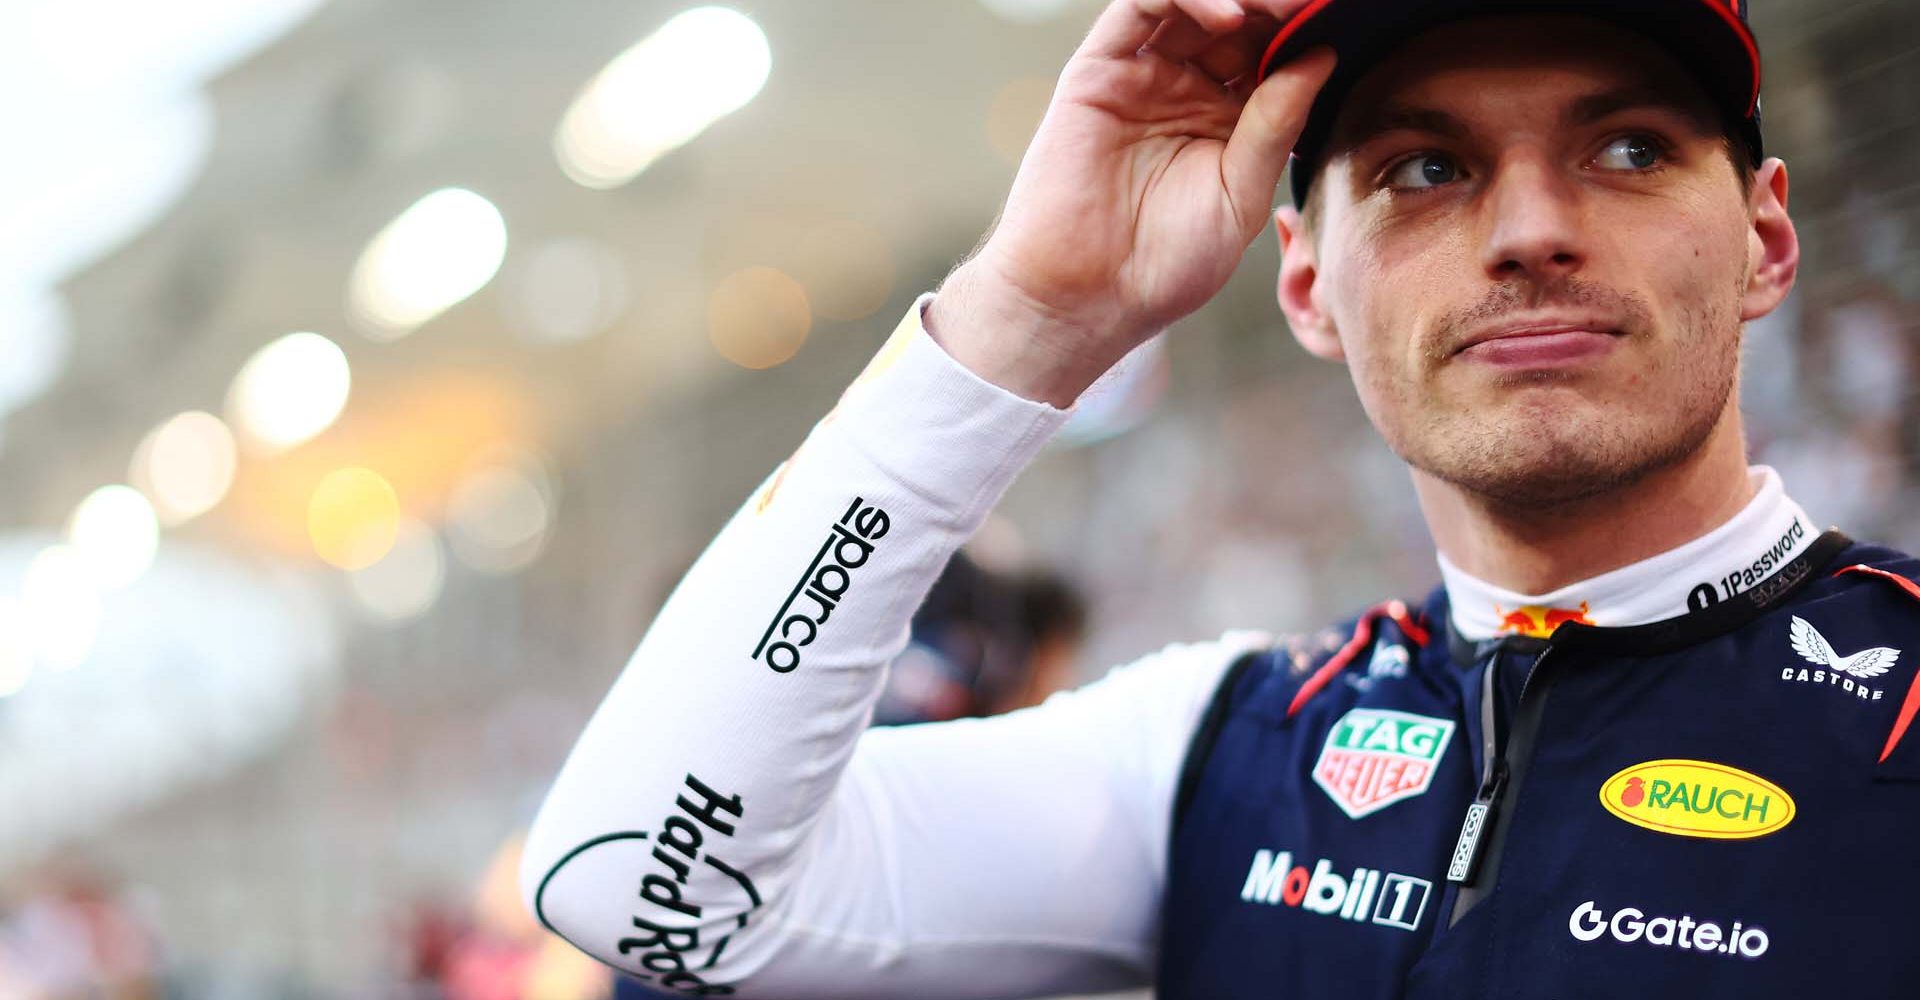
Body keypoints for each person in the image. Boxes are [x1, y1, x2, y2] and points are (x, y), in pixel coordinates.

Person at [521, 0, 1920, 996]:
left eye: (1625, 149)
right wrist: (1033, 313)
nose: (1533, 229)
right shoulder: (1218, 748)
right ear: (1307, 285)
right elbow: (636, 880)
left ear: (1766, 237)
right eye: (1426, 168)